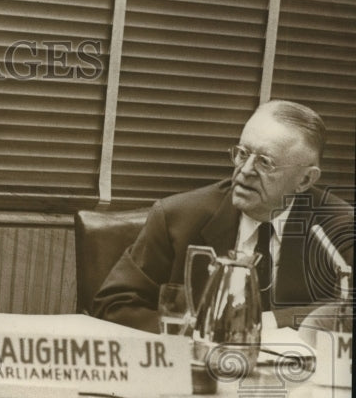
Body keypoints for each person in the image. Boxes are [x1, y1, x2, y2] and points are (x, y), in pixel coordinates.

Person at [93, 100, 353, 333]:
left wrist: (265, 322)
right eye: (242, 153)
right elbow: (113, 305)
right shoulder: (176, 217)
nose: (245, 170)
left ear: (305, 179)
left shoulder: (339, 225)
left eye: (265, 162)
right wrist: (200, 334)